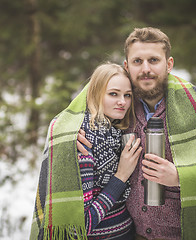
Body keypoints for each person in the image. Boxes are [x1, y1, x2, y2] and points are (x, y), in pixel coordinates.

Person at [78, 27, 196, 240]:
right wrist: (71, 134)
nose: (145, 69)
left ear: (169, 64)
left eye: (154, 60)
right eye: (138, 61)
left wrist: (180, 178)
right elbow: (75, 114)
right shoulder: (121, 108)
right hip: (133, 234)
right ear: (127, 66)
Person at [30, 63, 143, 239]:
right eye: (113, 94)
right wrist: (121, 176)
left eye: (127, 95)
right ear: (96, 94)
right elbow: (81, 225)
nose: (122, 101)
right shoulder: (84, 140)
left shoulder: (117, 131)